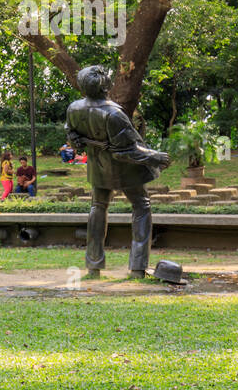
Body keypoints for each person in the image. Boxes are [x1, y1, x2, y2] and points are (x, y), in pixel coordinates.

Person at [65, 65, 170, 278]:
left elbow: (71, 136)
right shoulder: (113, 114)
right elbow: (126, 152)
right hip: (125, 171)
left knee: (98, 207)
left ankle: (93, 265)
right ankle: (138, 267)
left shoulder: (74, 108)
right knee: (141, 206)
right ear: (105, 85)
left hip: (98, 168)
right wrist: (157, 157)